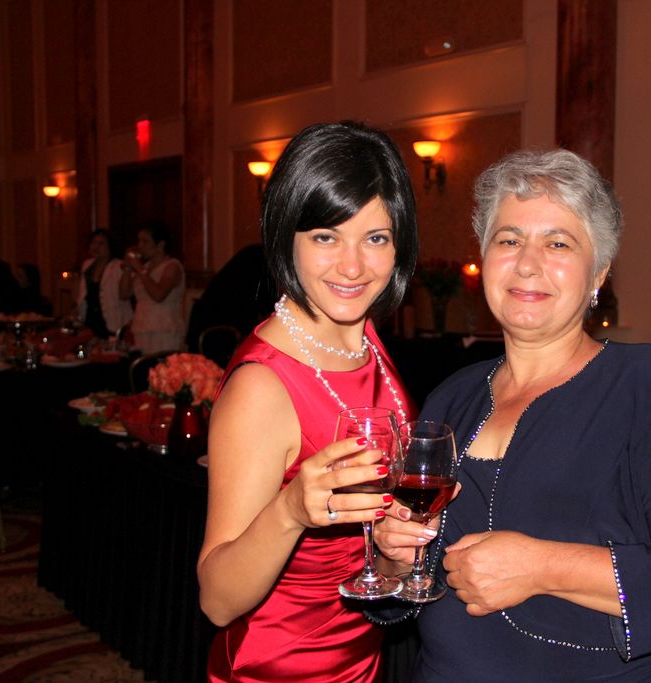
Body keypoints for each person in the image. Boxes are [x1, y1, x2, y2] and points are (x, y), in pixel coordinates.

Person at [374, 149, 651, 681]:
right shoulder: (451, 397)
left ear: (599, 273)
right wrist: (394, 558)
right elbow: (403, 595)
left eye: (558, 243)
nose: (527, 263)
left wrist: (542, 567)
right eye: (509, 240)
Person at [198, 121, 419, 682]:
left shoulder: (362, 338)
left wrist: (396, 548)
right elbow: (217, 601)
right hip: (276, 669)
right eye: (326, 237)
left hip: (359, 657)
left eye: (376, 238)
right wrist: (291, 510)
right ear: (285, 237)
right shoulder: (262, 387)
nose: (353, 266)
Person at [119, 221, 186, 353]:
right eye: (139, 241)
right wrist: (128, 268)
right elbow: (124, 294)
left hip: (165, 329)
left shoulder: (172, 266)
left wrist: (139, 268)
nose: (140, 246)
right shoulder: (145, 268)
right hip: (142, 327)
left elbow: (158, 295)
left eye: (145, 241)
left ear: (160, 244)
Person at [77, 229, 132, 338]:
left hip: (113, 319)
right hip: (90, 319)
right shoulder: (87, 266)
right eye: (93, 243)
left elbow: (125, 293)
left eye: (101, 243)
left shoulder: (119, 266)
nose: (96, 247)